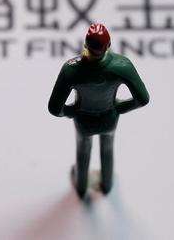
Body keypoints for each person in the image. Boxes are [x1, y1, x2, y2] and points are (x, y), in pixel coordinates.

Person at [48, 23, 149, 198]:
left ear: (85, 45)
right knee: (108, 149)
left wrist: (73, 112)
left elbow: (55, 108)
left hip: (84, 120)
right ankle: (107, 184)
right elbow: (142, 99)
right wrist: (118, 108)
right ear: (108, 45)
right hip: (109, 117)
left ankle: (81, 186)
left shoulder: (71, 70)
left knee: (83, 151)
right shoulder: (122, 66)